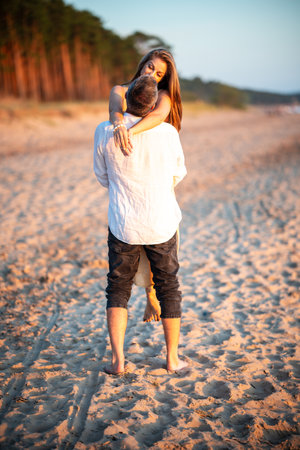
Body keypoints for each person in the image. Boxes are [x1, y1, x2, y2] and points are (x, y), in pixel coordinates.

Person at [94, 75, 187, 374]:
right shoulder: (168, 132)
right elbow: (177, 174)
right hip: (161, 222)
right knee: (169, 287)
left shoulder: (104, 131)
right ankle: (172, 359)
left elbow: (102, 177)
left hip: (124, 222)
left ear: (127, 100)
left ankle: (118, 361)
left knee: (118, 288)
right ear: (151, 105)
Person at [109, 48, 182, 322]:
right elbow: (116, 110)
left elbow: (159, 116)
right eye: (150, 67)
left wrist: (129, 131)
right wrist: (118, 125)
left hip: (155, 180)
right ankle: (150, 297)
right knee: (137, 249)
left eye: (159, 73)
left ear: (164, 79)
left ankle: (151, 295)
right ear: (142, 64)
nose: (152, 74)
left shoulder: (162, 96)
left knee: (157, 253)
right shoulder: (121, 89)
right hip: (129, 178)